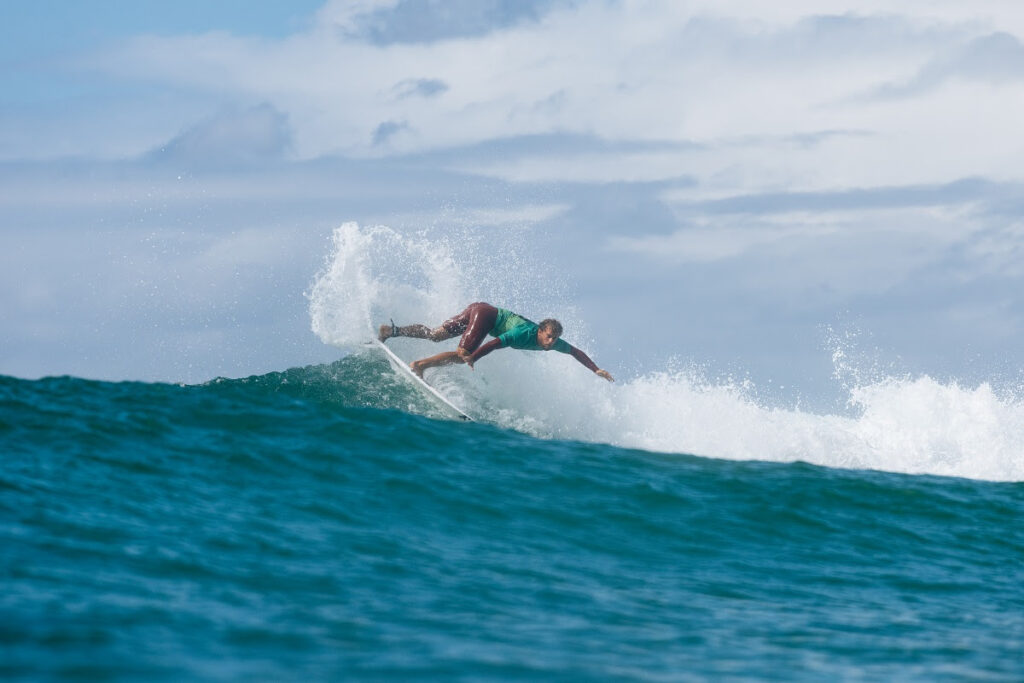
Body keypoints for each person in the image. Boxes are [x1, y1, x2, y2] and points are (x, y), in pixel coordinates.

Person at [379, 302, 614, 382]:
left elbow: (576, 352)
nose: (551, 342)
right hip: (486, 316)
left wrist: (595, 369)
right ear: (540, 331)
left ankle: (391, 331)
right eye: (548, 336)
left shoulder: (553, 344)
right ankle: (419, 365)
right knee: (462, 354)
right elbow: (495, 343)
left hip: (481, 309)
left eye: (555, 339)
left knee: (435, 335)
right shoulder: (524, 333)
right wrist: (474, 358)